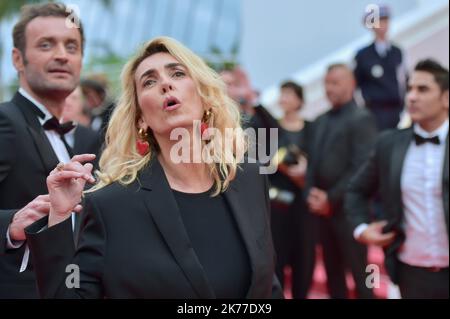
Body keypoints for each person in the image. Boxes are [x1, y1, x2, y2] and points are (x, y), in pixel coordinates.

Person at [24, 36, 283, 299]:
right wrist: (58, 219)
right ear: (141, 119)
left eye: (178, 73)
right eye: (149, 81)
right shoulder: (111, 205)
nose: (165, 84)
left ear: (204, 97)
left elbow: (267, 283)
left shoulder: (249, 178)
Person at [0, 2, 84, 298]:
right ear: (18, 59)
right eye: (46, 45)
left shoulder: (79, 137)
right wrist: (10, 225)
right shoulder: (5, 122)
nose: (62, 54)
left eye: (71, 46)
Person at [346, 59, 449, 299]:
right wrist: (362, 228)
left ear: (446, 98)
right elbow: (356, 190)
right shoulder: (389, 144)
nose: (411, 97)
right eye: (410, 89)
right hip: (411, 273)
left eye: (422, 89)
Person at [305, 64, 377, 298]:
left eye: (335, 82)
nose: (329, 88)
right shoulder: (321, 120)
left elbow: (362, 167)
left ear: (351, 83)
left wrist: (330, 198)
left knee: (362, 277)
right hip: (324, 214)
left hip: (350, 212)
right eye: (326, 83)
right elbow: (312, 163)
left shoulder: (362, 118)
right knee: (333, 275)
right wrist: (311, 193)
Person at [269, 81, 316, 298]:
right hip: (278, 201)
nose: (283, 99)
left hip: (304, 202)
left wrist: (305, 171)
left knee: (304, 255)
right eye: (282, 94)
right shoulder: (272, 127)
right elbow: (263, 160)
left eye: (288, 94)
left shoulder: (311, 127)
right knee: (277, 254)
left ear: (299, 99)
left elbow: (318, 160)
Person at [354, 5, 407, 131]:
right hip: (375, 113)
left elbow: (404, 79)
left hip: (397, 110)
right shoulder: (363, 56)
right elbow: (355, 85)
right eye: (378, 21)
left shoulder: (397, 52)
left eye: (385, 20)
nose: (383, 25)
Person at [61, 87, 102, 166]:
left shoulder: (93, 138)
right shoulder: (42, 134)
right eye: (63, 96)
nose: (68, 102)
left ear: (81, 104)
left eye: (74, 98)